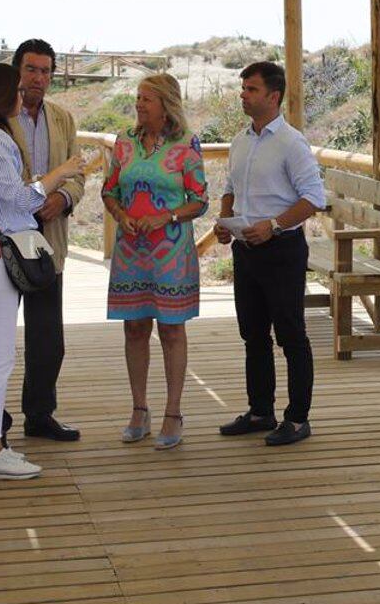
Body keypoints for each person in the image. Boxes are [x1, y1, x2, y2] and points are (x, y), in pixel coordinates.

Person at [0, 62, 87, 480]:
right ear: (2, 95)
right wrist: (60, 174)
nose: (24, 93)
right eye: (17, 87)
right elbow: (19, 199)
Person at [217, 60, 326, 446]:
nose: (243, 95)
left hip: (281, 250)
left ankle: (297, 419)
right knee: (253, 335)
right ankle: (261, 411)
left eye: (251, 89)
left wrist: (274, 225)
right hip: (246, 251)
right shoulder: (241, 140)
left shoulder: (291, 143)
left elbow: (314, 198)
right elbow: (231, 186)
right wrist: (225, 219)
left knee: (291, 335)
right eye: (243, 88)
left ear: (273, 96)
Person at [101, 73, 207, 451]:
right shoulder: (124, 142)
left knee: (172, 330)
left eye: (146, 98)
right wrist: (119, 214)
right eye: (138, 97)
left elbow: (200, 200)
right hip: (131, 250)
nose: (139, 104)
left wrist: (168, 216)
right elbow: (109, 189)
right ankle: (139, 409)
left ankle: (173, 412)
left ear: (165, 104)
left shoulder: (186, 145)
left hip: (171, 253)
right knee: (134, 328)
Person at [8, 39, 85, 442]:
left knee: (48, 339)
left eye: (45, 71)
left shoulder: (62, 118)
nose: (38, 78)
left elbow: (78, 173)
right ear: (16, 70)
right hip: (3, 239)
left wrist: (62, 198)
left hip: (48, 236)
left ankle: (39, 416)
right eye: (31, 69)